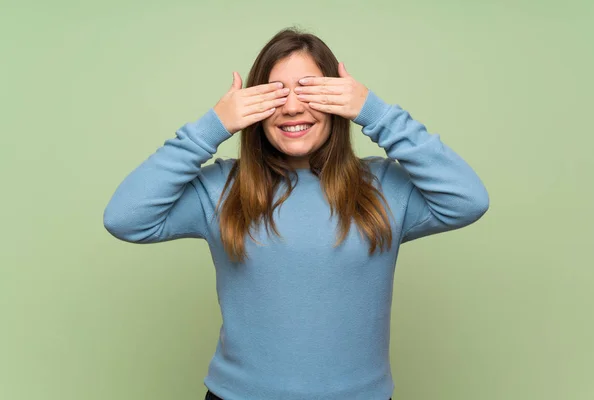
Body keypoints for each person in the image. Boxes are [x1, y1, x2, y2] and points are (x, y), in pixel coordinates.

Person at [103, 27, 489, 400]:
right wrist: (212, 127)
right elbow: (125, 217)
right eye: (274, 94)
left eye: (310, 91)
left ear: (339, 99)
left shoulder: (384, 187)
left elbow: (468, 199)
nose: (290, 107)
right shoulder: (221, 188)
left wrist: (375, 112)